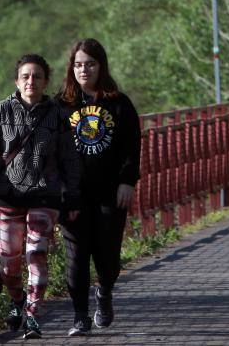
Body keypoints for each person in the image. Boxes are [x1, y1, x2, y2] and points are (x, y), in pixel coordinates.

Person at [0, 54, 81, 340]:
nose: (31, 81)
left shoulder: (58, 114)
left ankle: (33, 315)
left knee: (36, 253)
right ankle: (16, 299)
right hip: (7, 196)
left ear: (46, 81)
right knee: (9, 261)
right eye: (25, 76)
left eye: (37, 76)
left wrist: (72, 195)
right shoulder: (2, 111)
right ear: (17, 81)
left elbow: (69, 157)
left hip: (44, 196)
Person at [56, 39, 142, 336]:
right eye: (78, 64)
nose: (84, 69)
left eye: (90, 64)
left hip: (110, 191)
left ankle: (104, 291)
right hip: (73, 195)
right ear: (71, 68)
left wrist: (127, 181)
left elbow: (132, 145)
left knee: (107, 257)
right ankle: (80, 316)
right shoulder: (61, 105)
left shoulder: (119, 103)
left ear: (101, 66)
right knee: (76, 256)